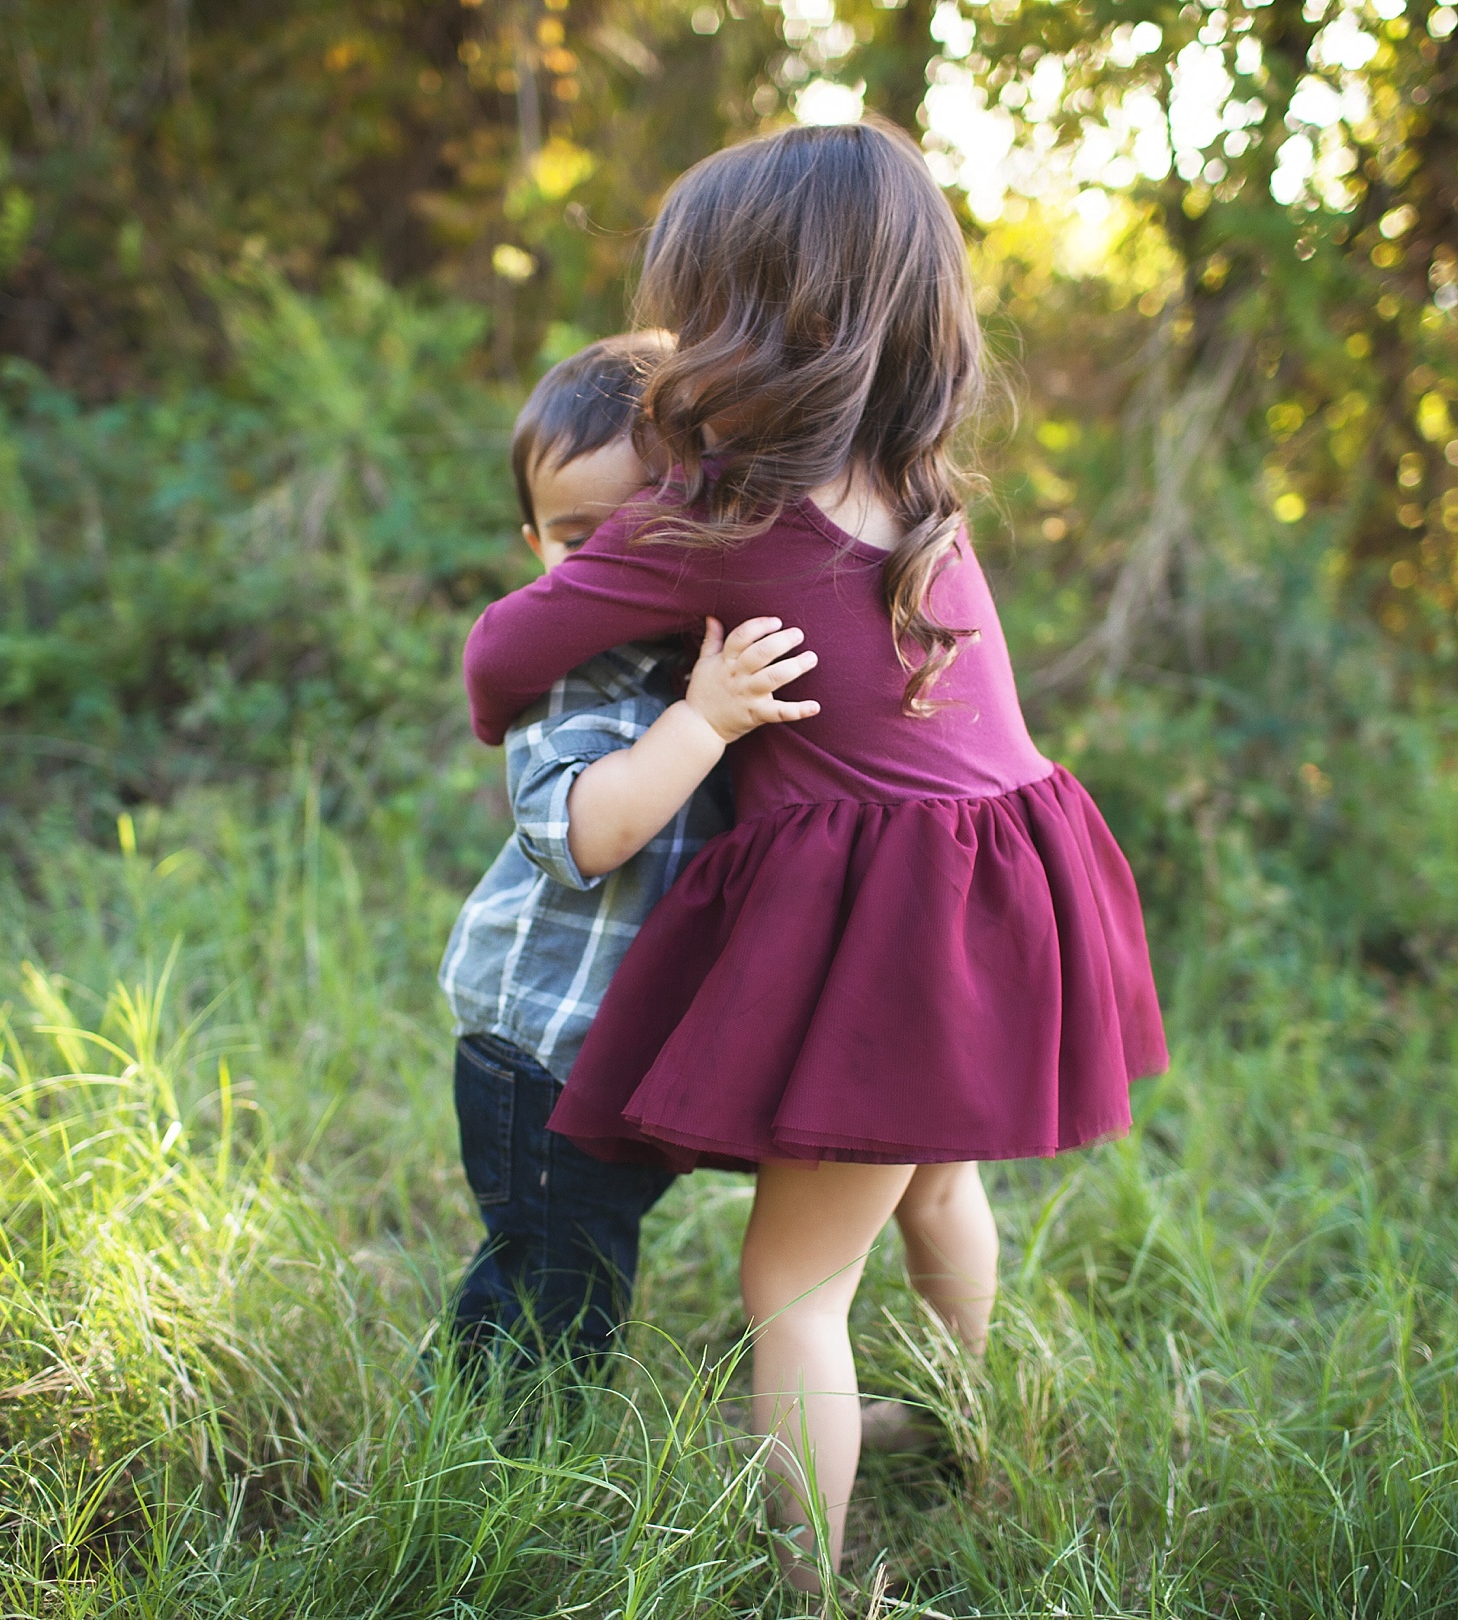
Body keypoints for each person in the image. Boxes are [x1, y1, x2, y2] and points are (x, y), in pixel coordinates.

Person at [461, 120, 1168, 1591]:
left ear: (740, 320)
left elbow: (502, 655)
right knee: (929, 1191)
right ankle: (979, 1429)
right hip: (1010, 898)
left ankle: (815, 1583)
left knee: (791, 1289)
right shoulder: (918, 484)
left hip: (900, 936)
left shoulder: (719, 516)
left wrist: (607, 575)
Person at [438, 331, 818, 1382]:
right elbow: (588, 833)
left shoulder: (709, 656)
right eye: (578, 539)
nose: (615, 560)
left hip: (623, 1049)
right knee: (553, 1284)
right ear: (535, 549)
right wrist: (702, 724)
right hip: (542, 1053)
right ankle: (488, 1456)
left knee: (587, 1257)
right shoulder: (573, 676)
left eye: (641, 529)